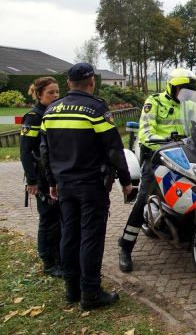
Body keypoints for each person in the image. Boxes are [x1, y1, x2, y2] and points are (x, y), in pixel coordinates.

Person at [40, 63, 133, 310]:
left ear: (68, 83)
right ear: (91, 82)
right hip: (92, 187)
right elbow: (114, 149)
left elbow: (44, 151)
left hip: (64, 185)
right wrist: (126, 181)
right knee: (90, 237)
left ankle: (71, 291)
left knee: (69, 235)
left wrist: (51, 182)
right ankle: (90, 293)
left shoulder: (50, 111)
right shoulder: (95, 109)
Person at [118, 68, 196, 272]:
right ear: (172, 87)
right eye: (182, 88)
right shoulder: (155, 101)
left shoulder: (190, 105)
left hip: (184, 157)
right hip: (157, 157)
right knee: (143, 197)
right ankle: (126, 247)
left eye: (189, 90)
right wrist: (164, 140)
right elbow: (145, 132)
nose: (185, 93)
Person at [20, 77, 62, 277]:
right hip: (41, 178)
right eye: (50, 93)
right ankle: (48, 261)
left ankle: (59, 257)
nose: (55, 96)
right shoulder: (34, 117)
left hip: (56, 175)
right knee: (48, 219)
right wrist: (31, 180)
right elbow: (25, 151)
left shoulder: (55, 113)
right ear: (39, 95)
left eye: (57, 92)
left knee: (58, 218)